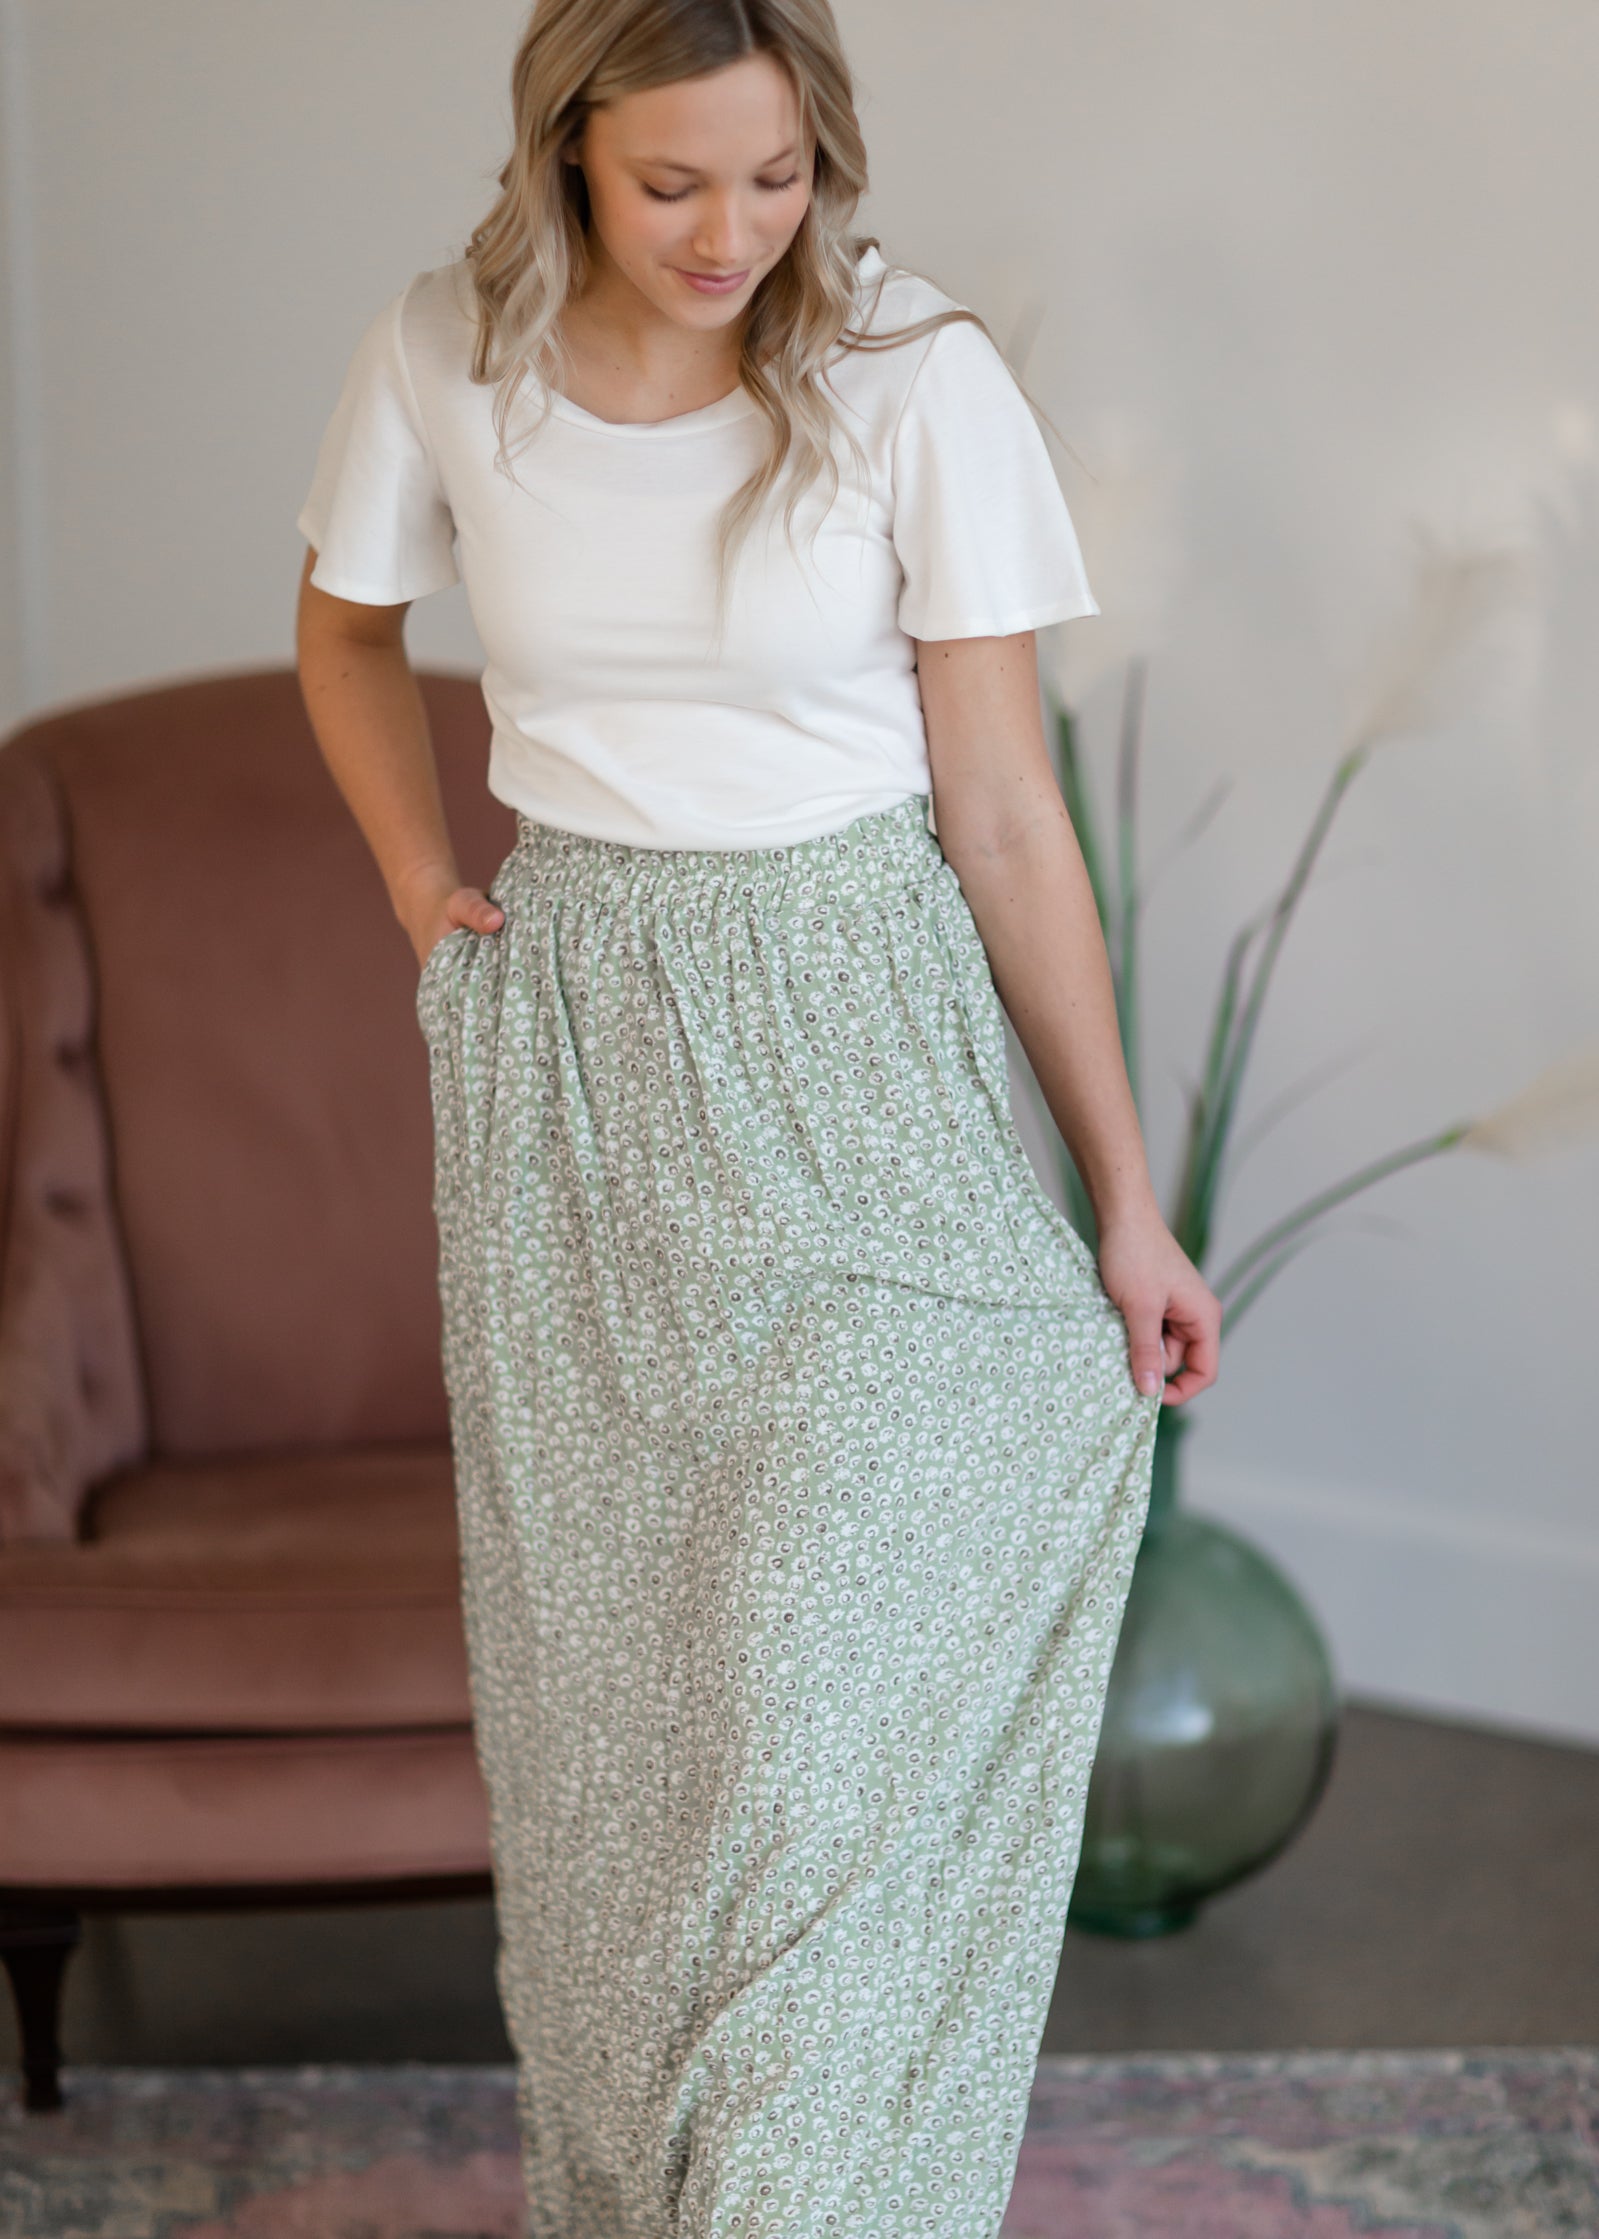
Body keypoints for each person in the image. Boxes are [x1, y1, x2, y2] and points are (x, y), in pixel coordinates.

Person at [294, 2, 1221, 2231]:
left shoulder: (910, 376)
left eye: (779, 177)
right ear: (567, 157)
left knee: (813, 1708)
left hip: (859, 1054)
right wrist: (422, 886)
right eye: (673, 184)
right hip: (585, 1080)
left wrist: (1125, 1198)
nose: (735, 232)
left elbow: (1005, 814)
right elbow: (344, 634)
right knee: (634, 1741)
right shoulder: (444, 355)